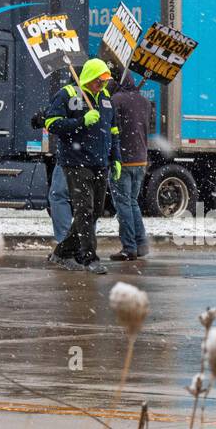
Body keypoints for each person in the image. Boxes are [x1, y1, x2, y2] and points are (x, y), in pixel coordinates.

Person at [44, 57, 119, 273]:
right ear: (88, 78)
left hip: (100, 163)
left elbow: (113, 132)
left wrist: (116, 159)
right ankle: (89, 258)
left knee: (95, 211)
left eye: (105, 81)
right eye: (99, 81)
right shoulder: (68, 94)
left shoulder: (106, 98)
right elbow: (52, 123)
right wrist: (80, 122)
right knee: (84, 210)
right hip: (76, 162)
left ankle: (61, 252)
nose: (102, 85)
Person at [108, 70, 152, 261]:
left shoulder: (116, 100)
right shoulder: (144, 101)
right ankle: (141, 244)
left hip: (122, 160)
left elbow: (111, 127)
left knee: (123, 204)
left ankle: (129, 247)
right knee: (132, 202)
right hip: (141, 158)